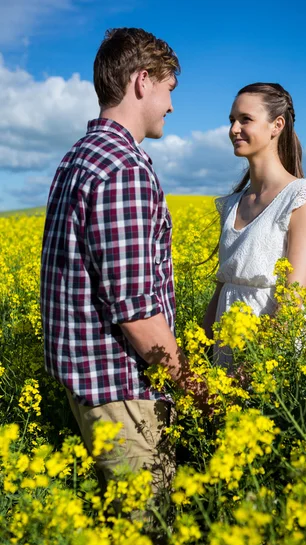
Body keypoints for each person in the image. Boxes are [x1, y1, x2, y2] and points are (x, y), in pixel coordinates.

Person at [40, 27, 206, 500]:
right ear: (141, 80)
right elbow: (137, 313)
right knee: (147, 541)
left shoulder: (77, 157)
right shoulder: (124, 168)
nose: (171, 106)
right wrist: (193, 388)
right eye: (168, 89)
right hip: (122, 389)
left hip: (86, 385)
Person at [203, 82, 306, 365]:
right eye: (231, 120)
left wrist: (251, 371)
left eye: (245, 119)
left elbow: (290, 303)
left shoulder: (301, 200)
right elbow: (221, 288)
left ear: (277, 125)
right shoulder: (232, 204)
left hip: (272, 355)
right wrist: (200, 356)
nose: (233, 129)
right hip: (226, 347)